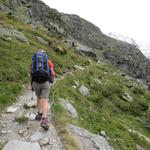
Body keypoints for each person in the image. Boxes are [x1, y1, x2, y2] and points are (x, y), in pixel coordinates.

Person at [29, 50, 55, 130]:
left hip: (36, 82)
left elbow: (30, 73)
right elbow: (52, 73)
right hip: (45, 82)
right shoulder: (48, 62)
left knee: (39, 98)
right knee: (45, 100)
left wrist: (31, 84)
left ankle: (39, 114)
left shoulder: (33, 62)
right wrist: (52, 79)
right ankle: (44, 119)